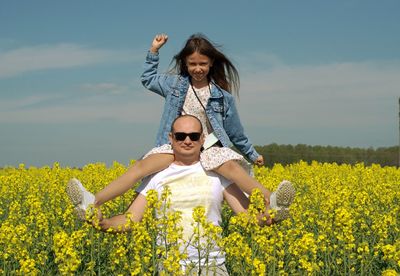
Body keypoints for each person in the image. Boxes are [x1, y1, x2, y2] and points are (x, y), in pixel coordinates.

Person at [66, 33, 295, 223]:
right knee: (141, 167)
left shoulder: (222, 96)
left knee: (233, 170)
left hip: (208, 146)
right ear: (185, 64)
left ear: (211, 63)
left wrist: (252, 154)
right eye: (192, 64)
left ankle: (270, 200)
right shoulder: (173, 84)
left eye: (202, 64)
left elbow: (235, 131)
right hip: (174, 144)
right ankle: (92, 201)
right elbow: (147, 79)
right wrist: (153, 51)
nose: (198, 68)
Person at [93, 115, 276, 275]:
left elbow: (247, 217)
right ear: (170, 138)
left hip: (212, 265)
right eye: (180, 136)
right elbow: (130, 219)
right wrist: (104, 223)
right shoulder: (156, 177)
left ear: (203, 139)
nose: (187, 141)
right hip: (170, 266)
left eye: (194, 136)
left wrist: (267, 217)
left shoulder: (219, 174)